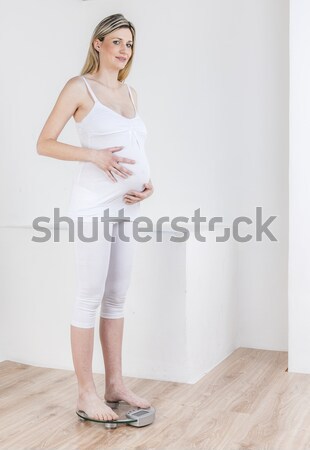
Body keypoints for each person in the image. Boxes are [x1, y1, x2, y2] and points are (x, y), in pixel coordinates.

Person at [36, 13, 154, 422]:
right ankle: (86, 392)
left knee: (117, 296)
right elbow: (45, 143)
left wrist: (147, 184)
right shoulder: (78, 87)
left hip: (127, 207)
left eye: (130, 44)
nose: (124, 51)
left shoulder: (130, 92)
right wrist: (94, 156)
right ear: (98, 43)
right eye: (117, 42)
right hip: (93, 206)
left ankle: (115, 383)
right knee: (89, 297)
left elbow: (135, 150)